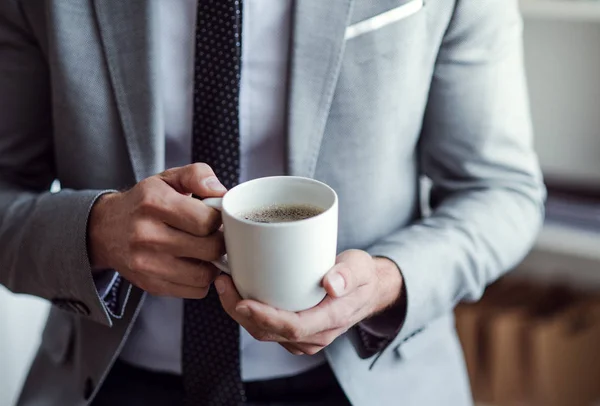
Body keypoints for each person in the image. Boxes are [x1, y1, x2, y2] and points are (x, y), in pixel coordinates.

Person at [0, 0, 545, 405]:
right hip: (109, 381)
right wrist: (95, 232)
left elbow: (500, 192)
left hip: (367, 379)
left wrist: (384, 284)